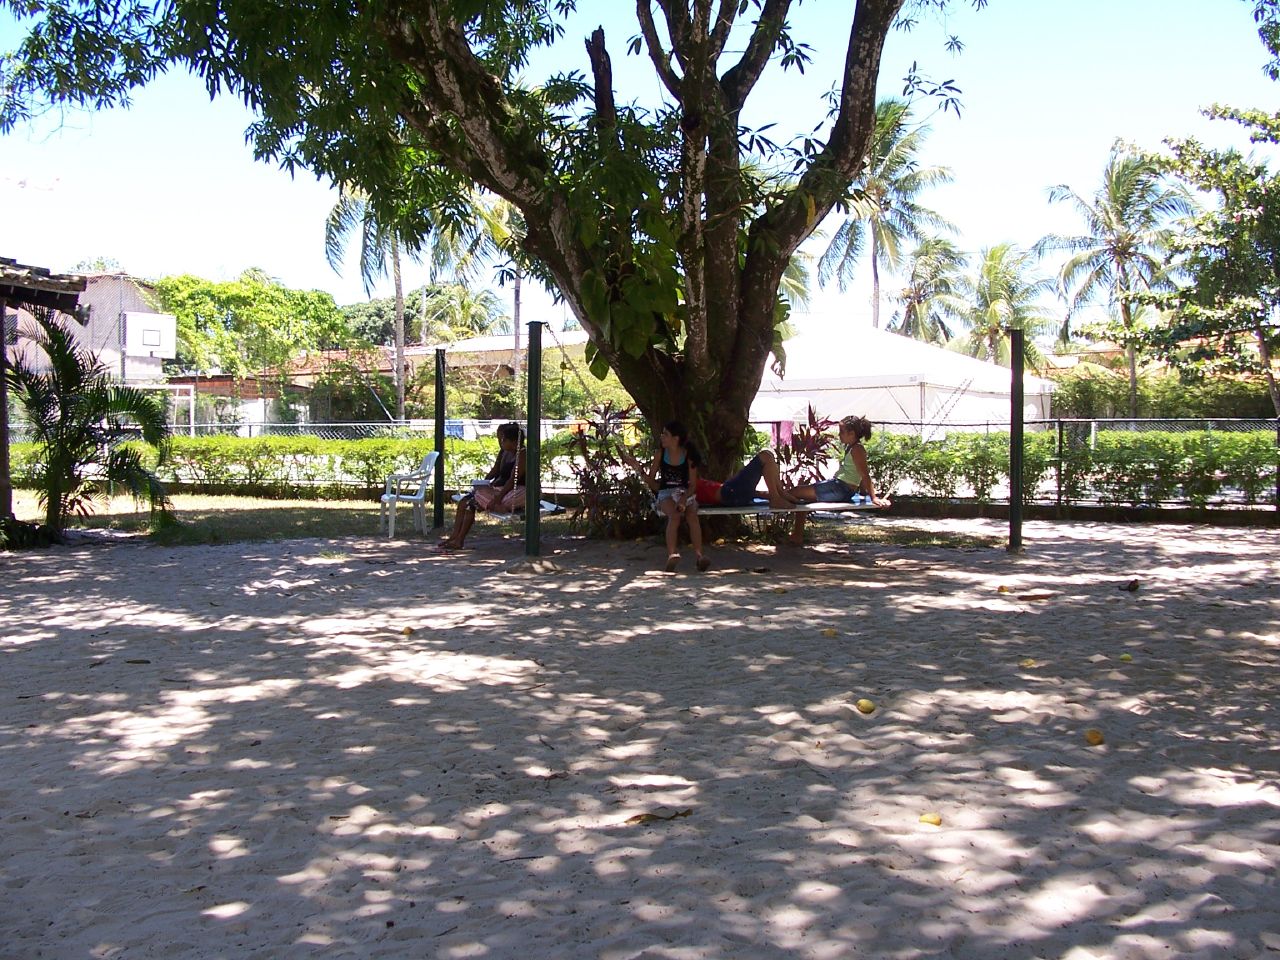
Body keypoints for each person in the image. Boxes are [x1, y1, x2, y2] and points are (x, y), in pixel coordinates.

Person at [620, 420, 710, 573]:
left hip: (685, 492)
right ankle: (672, 555)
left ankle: (699, 556)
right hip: (665, 493)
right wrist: (638, 468)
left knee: (692, 515)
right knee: (674, 516)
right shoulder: (660, 454)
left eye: (665, 434)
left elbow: (693, 485)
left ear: (676, 438)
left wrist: (683, 498)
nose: (661, 437)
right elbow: (651, 481)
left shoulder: (688, 456)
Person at [439, 422, 525, 550]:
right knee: (465, 502)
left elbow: (513, 480)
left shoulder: (522, 454)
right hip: (501, 489)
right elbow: (495, 470)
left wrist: (497, 499)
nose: (500, 442)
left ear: (513, 441)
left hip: (516, 492)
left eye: (503, 439)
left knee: (471, 504)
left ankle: (459, 540)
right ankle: (455, 537)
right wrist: (483, 484)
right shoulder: (504, 452)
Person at [789, 415, 891, 508]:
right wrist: (863, 493)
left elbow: (864, 474)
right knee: (796, 493)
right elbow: (857, 474)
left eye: (842, 431)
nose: (839, 434)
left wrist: (873, 498)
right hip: (840, 487)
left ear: (851, 433)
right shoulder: (852, 447)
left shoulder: (857, 449)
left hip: (841, 488)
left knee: (795, 492)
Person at [693, 450, 800, 510]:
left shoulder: (695, 481)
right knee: (765, 456)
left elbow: (749, 494)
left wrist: (763, 495)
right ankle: (776, 497)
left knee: (769, 456)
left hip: (731, 491)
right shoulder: (688, 485)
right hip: (729, 493)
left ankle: (779, 494)